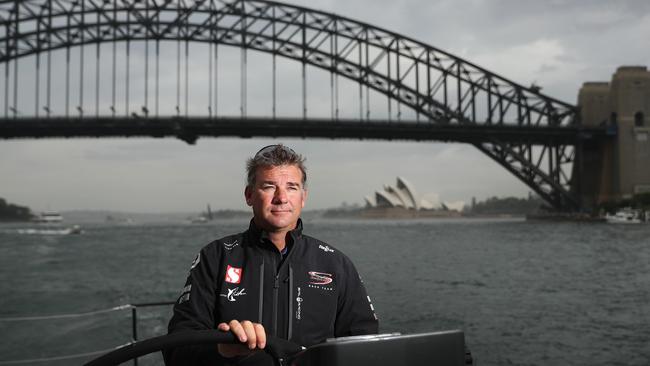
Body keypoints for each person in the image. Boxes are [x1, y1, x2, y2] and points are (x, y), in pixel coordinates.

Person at [164, 144, 378, 366]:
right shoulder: (215, 257)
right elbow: (176, 351)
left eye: (292, 187)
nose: (281, 198)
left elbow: (366, 348)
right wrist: (222, 349)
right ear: (249, 195)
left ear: (303, 198)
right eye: (269, 186)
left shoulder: (336, 264)